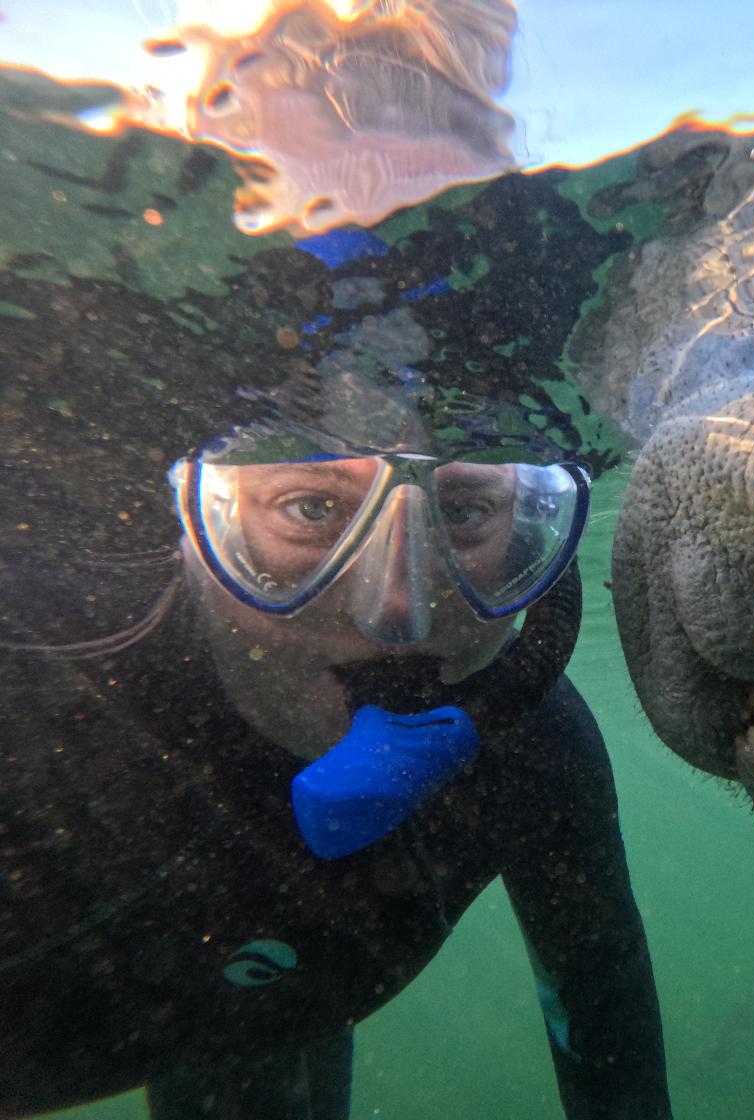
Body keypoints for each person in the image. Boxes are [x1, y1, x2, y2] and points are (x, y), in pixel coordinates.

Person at [0, 368, 673, 1120]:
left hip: (261, 1034)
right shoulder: (35, 675)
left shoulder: (534, 747)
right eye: (311, 507)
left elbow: (604, 1008)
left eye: (464, 511)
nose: (398, 611)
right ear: (196, 524)